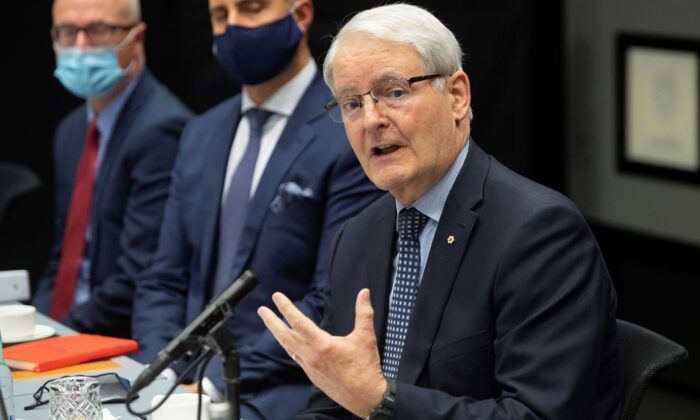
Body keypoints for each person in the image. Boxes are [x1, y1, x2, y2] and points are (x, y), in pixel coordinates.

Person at [258, 4, 623, 419]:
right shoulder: (356, 237)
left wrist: (382, 401)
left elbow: (534, 414)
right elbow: (332, 405)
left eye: (394, 92)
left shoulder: (540, 232)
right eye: (352, 104)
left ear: (456, 96)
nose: (371, 120)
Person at [131, 0, 381, 418]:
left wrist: (209, 381)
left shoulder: (347, 131)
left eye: (251, 9)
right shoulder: (200, 133)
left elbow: (328, 302)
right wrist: (163, 373)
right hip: (178, 388)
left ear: (300, 15)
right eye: (219, 15)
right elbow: (163, 278)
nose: (232, 27)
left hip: (285, 390)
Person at [33, 0, 192, 337]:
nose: (79, 46)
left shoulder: (162, 128)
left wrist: (55, 335)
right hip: (64, 328)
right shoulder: (71, 130)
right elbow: (63, 254)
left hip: (116, 335)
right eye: (66, 32)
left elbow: (140, 272)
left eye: (98, 30)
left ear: (137, 37)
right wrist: (37, 324)